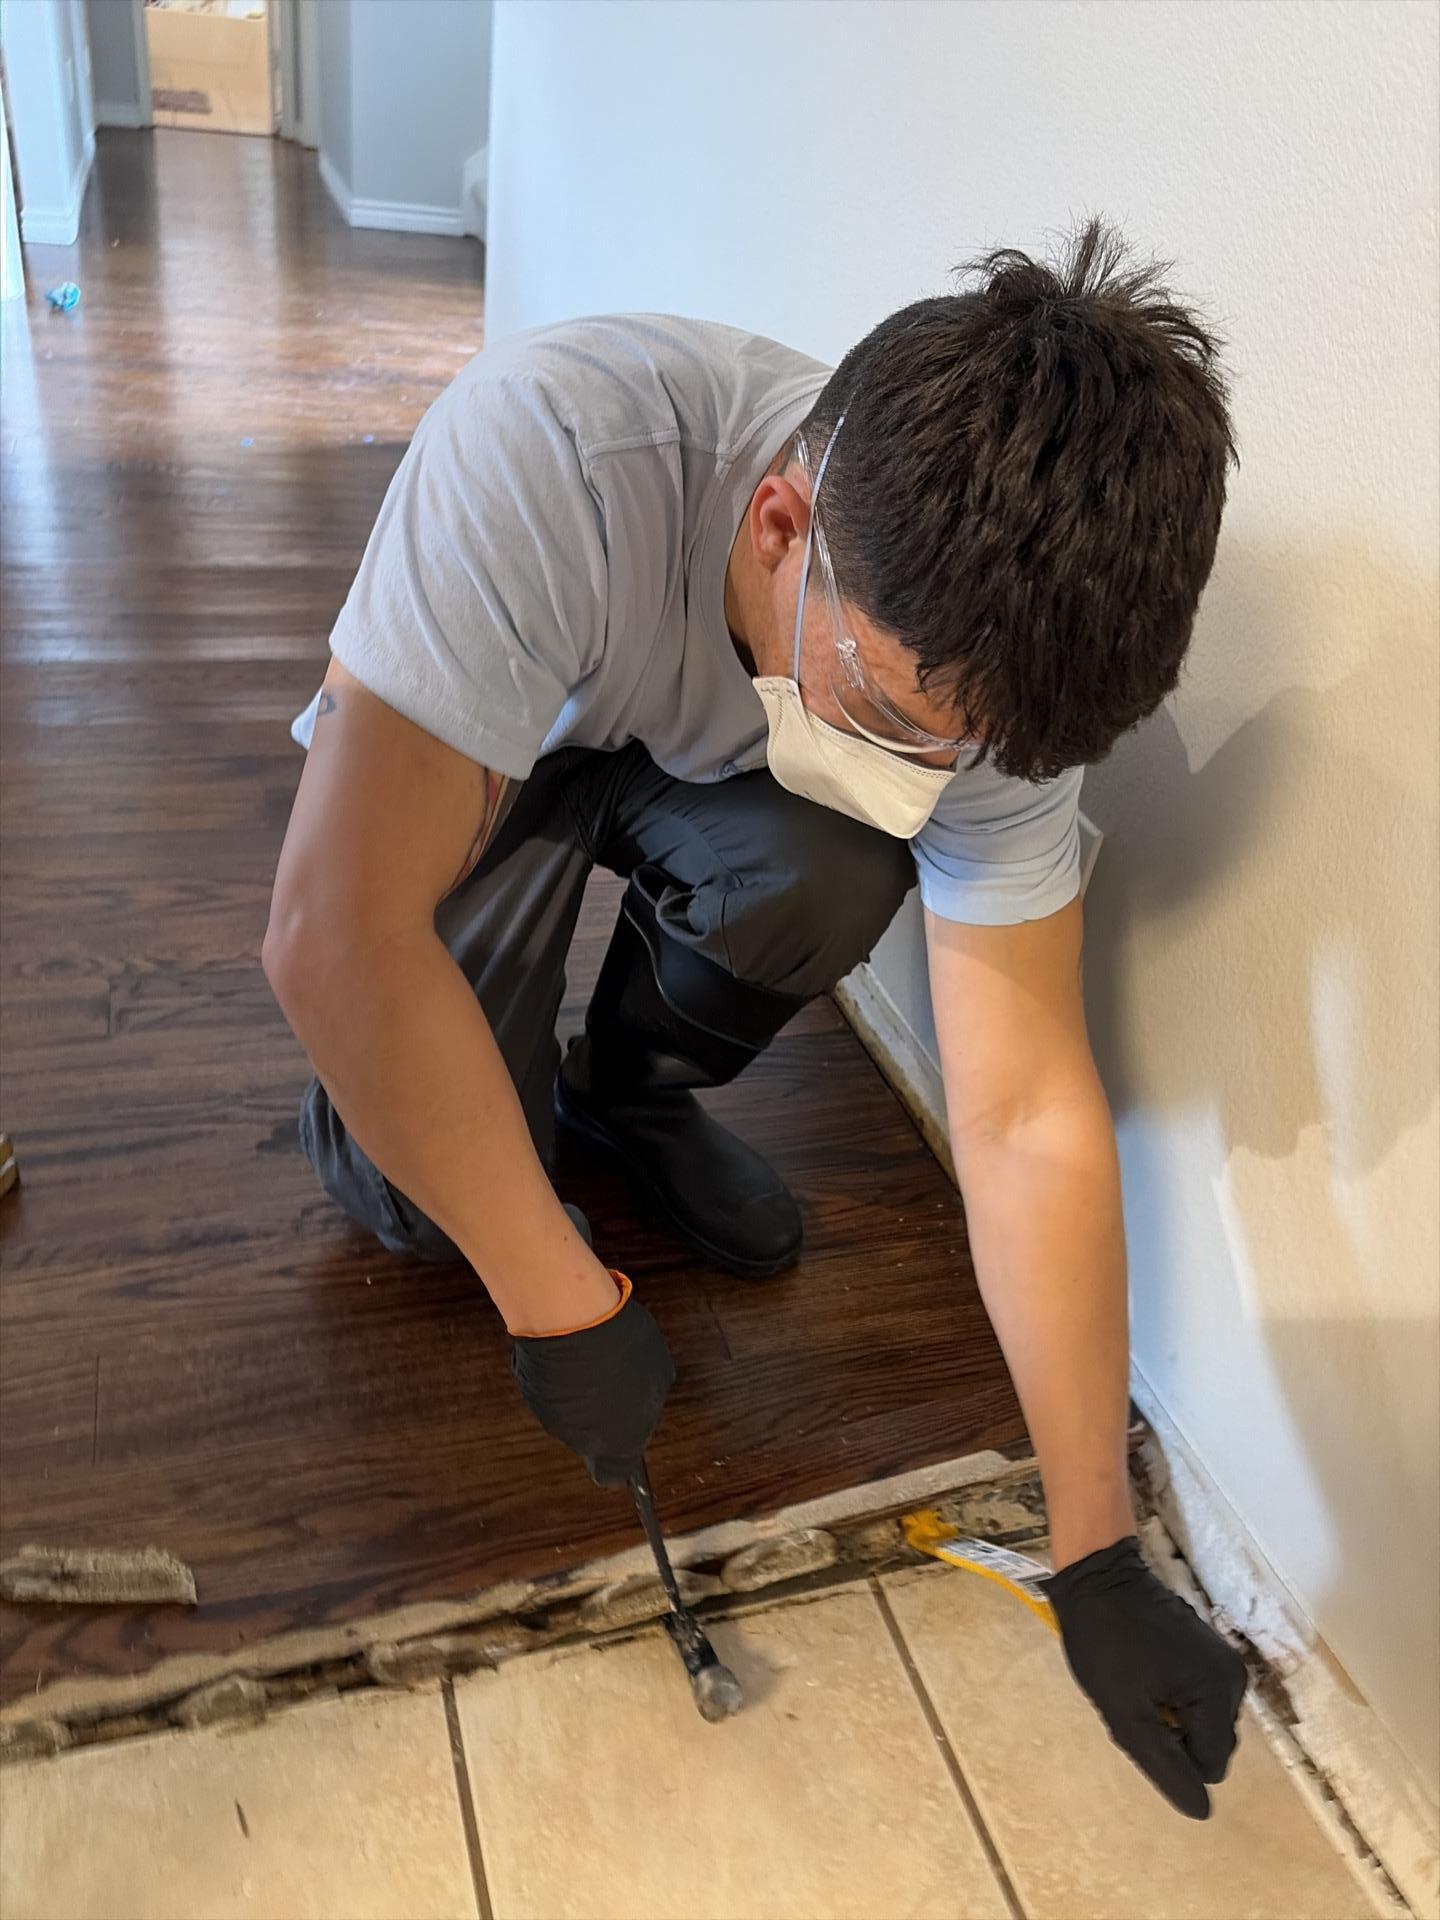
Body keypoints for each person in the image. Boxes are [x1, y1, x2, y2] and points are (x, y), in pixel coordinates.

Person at [263, 218, 1248, 1818]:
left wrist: (1095, 1548)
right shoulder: (555, 455)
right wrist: (555, 1293)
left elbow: (1020, 1111)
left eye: (966, 758)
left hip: (707, 773)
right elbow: (329, 937)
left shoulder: (990, 664)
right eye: (902, 722)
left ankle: (626, 1096)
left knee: (834, 868)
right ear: (783, 524)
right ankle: (529, 1148)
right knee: (404, 1196)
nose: (937, 776)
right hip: (496, 740)